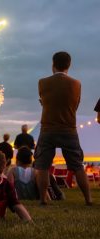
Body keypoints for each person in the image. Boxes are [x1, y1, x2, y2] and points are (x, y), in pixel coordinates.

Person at [35, 51, 92, 205]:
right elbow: (75, 106)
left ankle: (43, 200)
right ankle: (88, 199)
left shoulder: (42, 82)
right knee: (77, 166)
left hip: (48, 129)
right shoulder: (77, 84)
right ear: (69, 65)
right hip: (69, 129)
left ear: (53, 64)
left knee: (43, 165)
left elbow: (45, 102)